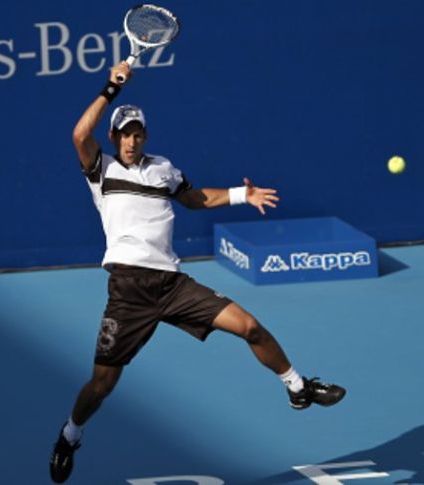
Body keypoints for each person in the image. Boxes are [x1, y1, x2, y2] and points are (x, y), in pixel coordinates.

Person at [49, 61, 346, 483]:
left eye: (138, 132)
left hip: (172, 285)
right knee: (101, 384)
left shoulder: (163, 168)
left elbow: (194, 199)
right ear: (114, 137)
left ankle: (298, 387)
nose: (132, 140)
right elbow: (79, 135)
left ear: (145, 136)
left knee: (250, 327)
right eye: (124, 133)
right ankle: (70, 434)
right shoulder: (102, 170)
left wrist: (244, 194)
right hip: (128, 292)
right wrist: (110, 88)